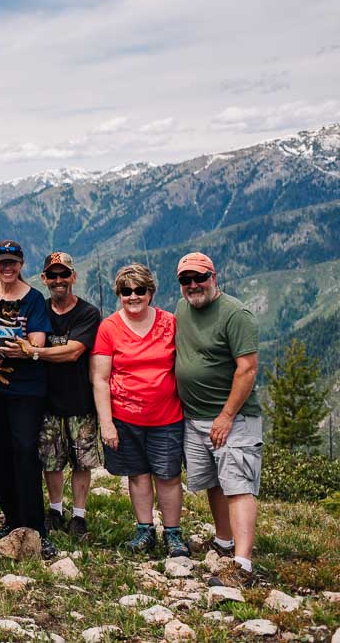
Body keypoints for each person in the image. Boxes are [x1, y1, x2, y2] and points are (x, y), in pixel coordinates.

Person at [174, 252, 262, 587]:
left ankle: (243, 565)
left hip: (232, 419)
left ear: (214, 277)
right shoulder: (184, 308)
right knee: (213, 481)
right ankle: (224, 543)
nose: (193, 285)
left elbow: (247, 369)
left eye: (200, 278)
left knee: (238, 485)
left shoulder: (236, 315)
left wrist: (226, 416)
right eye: (186, 280)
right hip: (194, 418)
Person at [91, 263, 189, 557]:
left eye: (139, 290)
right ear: (118, 294)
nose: (133, 296)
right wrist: (106, 424)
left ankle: (173, 533)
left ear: (151, 292)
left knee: (169, 475)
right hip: (125, 417)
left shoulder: (170, 323)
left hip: (167, 416)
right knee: (138, 475)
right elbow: (99, 378)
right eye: (126, 291)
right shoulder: (109, 327)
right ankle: (144, 529)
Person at [0, 240, 55, 557]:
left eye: (12, 262)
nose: (7, 267)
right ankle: (13, 519)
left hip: (26, 390)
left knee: (25, 452)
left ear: (21, 264)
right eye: (1, 262)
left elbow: (34, 345)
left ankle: (36, 529)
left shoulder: (34, 300)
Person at [28, 252, 102, 538]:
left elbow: (73, 352)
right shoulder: (40, 310)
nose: (59, 280)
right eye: (53, 275)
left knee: (82, 461)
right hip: (46, 400)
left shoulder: (88, 313)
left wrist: (35, 352)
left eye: (64, 274)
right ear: (45, 279)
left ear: (74, 276)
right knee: (51, 459)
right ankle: (56, 509)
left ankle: (79, 515)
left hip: (80, 400)